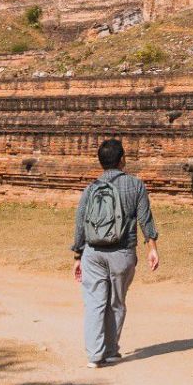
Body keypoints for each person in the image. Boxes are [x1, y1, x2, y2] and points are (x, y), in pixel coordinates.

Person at [71, 137, 160, 369]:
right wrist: (152, 249)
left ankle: (94, 355)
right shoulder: (135, 185)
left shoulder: (90, 188)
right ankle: (111, 351)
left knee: (94, 303)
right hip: (122, 252)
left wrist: (78, 255)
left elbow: (80, 223)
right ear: (123, 160)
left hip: (93, 252)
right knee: (116, 302)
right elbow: (145, 218)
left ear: (101, 162)